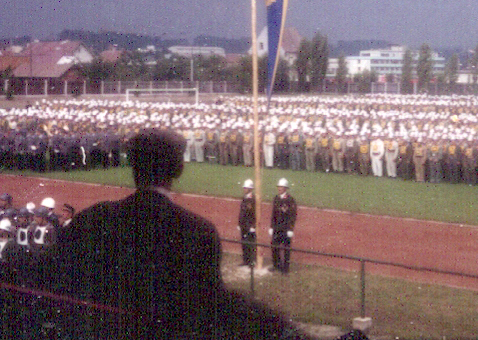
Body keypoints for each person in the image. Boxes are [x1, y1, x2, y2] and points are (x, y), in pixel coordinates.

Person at [39, 129, 306, 340]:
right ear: (178, 169)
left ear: (132, 165)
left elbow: (56, 277)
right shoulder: (197, 230)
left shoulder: (94, 217)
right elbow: (209, 307)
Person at [270, 177, 297, 274]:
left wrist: (291, 229)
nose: (279, 188)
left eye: (281, 187)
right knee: (274, 246)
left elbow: (293, 215)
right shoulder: (276, 198)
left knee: (286, 249)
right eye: (279, 187)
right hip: (277, 227)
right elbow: (273, 214)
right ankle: (276, 265)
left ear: (285, 188)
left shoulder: (290, 200)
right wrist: (271, 226)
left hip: (285, 228)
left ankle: (285, 269)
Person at [238, 179, 257, 267]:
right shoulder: (245, 197)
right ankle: (246, 260)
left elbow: (254, 213)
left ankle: (252, 261)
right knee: (244, 243)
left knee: (251, 243)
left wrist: (253, 225)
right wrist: (239, 223)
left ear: (250, 189)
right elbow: (241, 212)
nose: (244, 189)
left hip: (249, 225)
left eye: (246, 188)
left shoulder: (253, 199)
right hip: (243, 224)